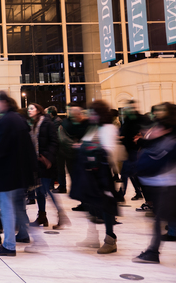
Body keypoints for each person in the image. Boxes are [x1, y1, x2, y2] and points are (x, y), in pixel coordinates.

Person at [0, 92, 37, 256]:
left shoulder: (7, 120)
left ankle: (9, 245)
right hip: (19, 173)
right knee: (16, 209)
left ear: (4, 102)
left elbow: (3, 147)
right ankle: (28, 239)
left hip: (7, 173)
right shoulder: (18, 118)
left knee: (7, 209)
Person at [71, 100, 121, 255]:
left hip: (102, 174)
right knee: (89, 204)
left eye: (93, 112)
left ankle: (110, 239)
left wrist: (91, 149)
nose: (90, 115)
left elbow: (110, 151)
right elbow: (87, 145)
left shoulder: (108, 128)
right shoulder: (93, 128)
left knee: (105, 206)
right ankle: (92, 237)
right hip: (89, 174)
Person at [133, 102, 176, 264]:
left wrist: (152, 138)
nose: (156, 114)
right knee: (163, 217)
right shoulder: (163, 128)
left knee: (159, 218)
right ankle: (153, 251)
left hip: (170, 182)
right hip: (163, 181)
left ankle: (153, 252)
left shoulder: (172, 131)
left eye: (160, 111)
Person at [27, 103, 69, 230]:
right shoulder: (32, 124)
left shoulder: (47, 123)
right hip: (36, 162)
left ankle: (61, 216)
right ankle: (42, 216)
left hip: (46, 162)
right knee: (39, 191)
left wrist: (48, 157)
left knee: (47, 190)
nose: (29, 110)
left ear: (38, 110)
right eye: (28, 108)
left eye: (31, 108)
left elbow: (54, 141)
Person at [57, 103, 89, 203]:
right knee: (75, 178)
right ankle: (83, 202)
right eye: (70, 110)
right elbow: (63, 138)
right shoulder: (65, 123)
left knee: (83, 179)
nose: (71, 113)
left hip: (82, 156)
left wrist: (80, 144)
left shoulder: (86, 122)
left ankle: (85, 202)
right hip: (70, 155)